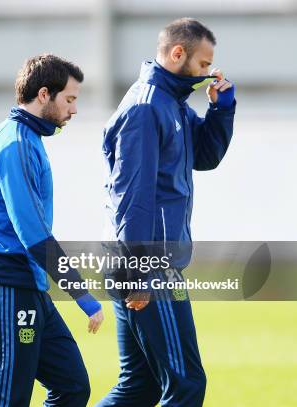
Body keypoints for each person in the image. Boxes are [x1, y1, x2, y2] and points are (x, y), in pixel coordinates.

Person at [97, 18, 236, 407]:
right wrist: (139, 272)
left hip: (141, 263)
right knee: (186, 384)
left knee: (138, 386)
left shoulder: (170, 103)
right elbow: (132, 196)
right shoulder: (146, 108)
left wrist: (221, 110)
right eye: (204, 64)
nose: (208, 72)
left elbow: (205, 157)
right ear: (178, 54)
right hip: (148, 265)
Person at [0, 54, 104, 407]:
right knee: (8, 400)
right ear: (44, 94)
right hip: (7, 284)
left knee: (72, 386)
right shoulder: (15, 143)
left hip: (29, 284)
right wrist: (83, 296)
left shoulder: (25, 138)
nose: (74, 110)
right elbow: (33, 236)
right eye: (70, 99)